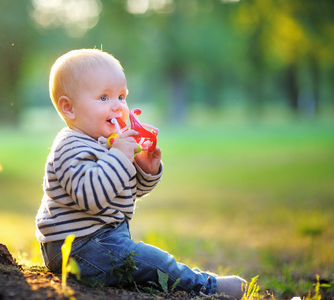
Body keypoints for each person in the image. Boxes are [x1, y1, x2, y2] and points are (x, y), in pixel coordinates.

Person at [35, 48, 246, 299]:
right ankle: (208, 287)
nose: (117, 107)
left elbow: (126, 192)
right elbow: (91, 197)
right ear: (68, 108)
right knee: (156, 261)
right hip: (78, 246)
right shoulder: (71, 145)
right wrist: (120, 156)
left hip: (99, 240)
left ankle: (188, 282)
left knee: (145, 266)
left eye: (122, 97)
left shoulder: (105, 142)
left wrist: (145, 170)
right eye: (104, 98)